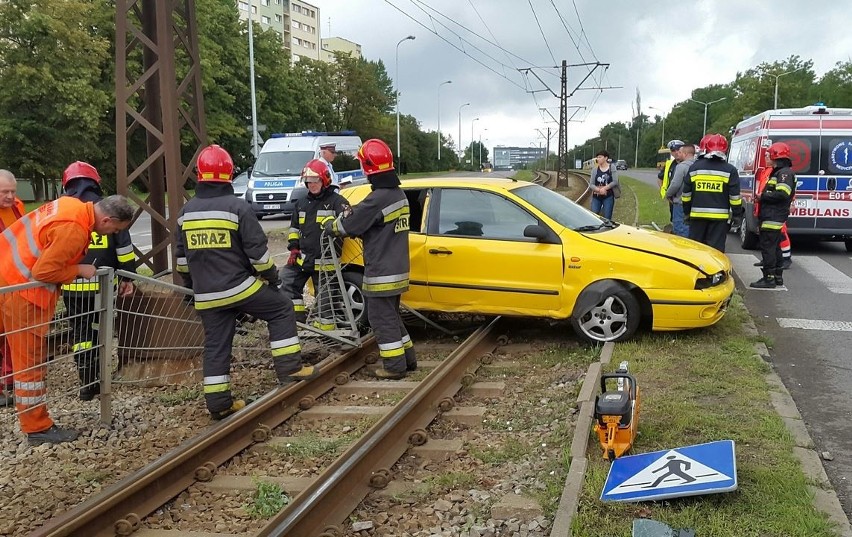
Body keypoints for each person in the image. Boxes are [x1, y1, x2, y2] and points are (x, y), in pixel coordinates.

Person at [175, 144, 318, 421]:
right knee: (281, 308)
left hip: (206, 294)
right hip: (239, 287)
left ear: (199, 175)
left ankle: (218, 403)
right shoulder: (237, 207)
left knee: (216, 345)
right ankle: (289, 369)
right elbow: (259, 256)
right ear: (229, 175)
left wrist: (193, 288)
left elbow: (182, 260)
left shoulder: (186, 212)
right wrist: (273, 280)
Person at [0, 194, 133, 445]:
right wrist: (79, 270)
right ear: (106, 219)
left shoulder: (70, 205)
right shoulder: (75, 229)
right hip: (22, 294)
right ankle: (37, 427)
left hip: (7, 276)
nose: (110, 235)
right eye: (114, 229)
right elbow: (44, 271)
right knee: (29, 363)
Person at [325, 139, 416, 379]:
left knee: (380, 317)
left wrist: (331, 225)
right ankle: (408, 359)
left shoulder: (378, 198)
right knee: (391, 315)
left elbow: (348, 226)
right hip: (398, 268)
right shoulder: (398, 195)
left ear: (368, 168)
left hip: (381, 271)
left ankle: (394, 367)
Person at [60, 162, 137, 401]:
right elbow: (124, 250)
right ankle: (97, 379)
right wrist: (127, 276)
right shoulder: (106, 209)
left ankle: (86, 381)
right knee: (99, 333)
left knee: (80, 333)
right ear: (95, 182)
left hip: (71, 286)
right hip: (102, 287)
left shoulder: (64, 210)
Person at [281, 159, 350, 328]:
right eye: (308, 182)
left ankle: (325, 330)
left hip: (325, 261)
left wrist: (334, 225)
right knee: (285, 281)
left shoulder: (337, 201)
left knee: (325, 299)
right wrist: (294, 248)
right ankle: (296, 323)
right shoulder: (301, 203)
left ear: (324, 180)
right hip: (303, 258)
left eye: (315, 181)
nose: (311, 185)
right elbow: (294, 229)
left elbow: (348, 223)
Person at [682, 134, 743, 253]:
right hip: (719, 220)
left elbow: (686, 195)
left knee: (695, 250)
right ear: (725, 150)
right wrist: (737, 215)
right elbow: (734, 197)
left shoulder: (695, 168)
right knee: (715, 252)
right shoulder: (730, 170)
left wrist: (686, 213)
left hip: (697, 217)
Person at [750, 142, 796, 289]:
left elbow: (783, 194)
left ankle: (768, 278)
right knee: (775, 248)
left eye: (768, 156)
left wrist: (762, 196)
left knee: (768, 247)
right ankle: (777, 277)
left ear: (776, 156)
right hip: (773, 215)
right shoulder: (780, 172)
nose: (766, 158)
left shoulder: (784, 173)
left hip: (773, 216)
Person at [0, 169, 24, 407]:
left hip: (12, 282)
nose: (9, 196)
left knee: (11, 333)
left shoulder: (16, 207)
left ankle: (10, 378)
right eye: (4, 192)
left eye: (12, 191)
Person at [665, 143, 696, 237]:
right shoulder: (699, 166)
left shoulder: (681, 167)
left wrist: (668, 194)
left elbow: (675, 185)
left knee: (680, 228)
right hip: (695, 203)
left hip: (680, 202)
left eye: (680, 152)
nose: (678, 154)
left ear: (685, 153)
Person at [589, 150, 619, 220]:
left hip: (608, 197)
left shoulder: (612, 167)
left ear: (606, 158)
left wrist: (604, 188)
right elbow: (591, 184)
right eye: (597, 157)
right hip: (596, 197)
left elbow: (615, 181)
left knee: (607, 217)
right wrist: (599, 190)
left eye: (600, 157)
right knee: (594, 216)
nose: (598, 159)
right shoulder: (595, 169)